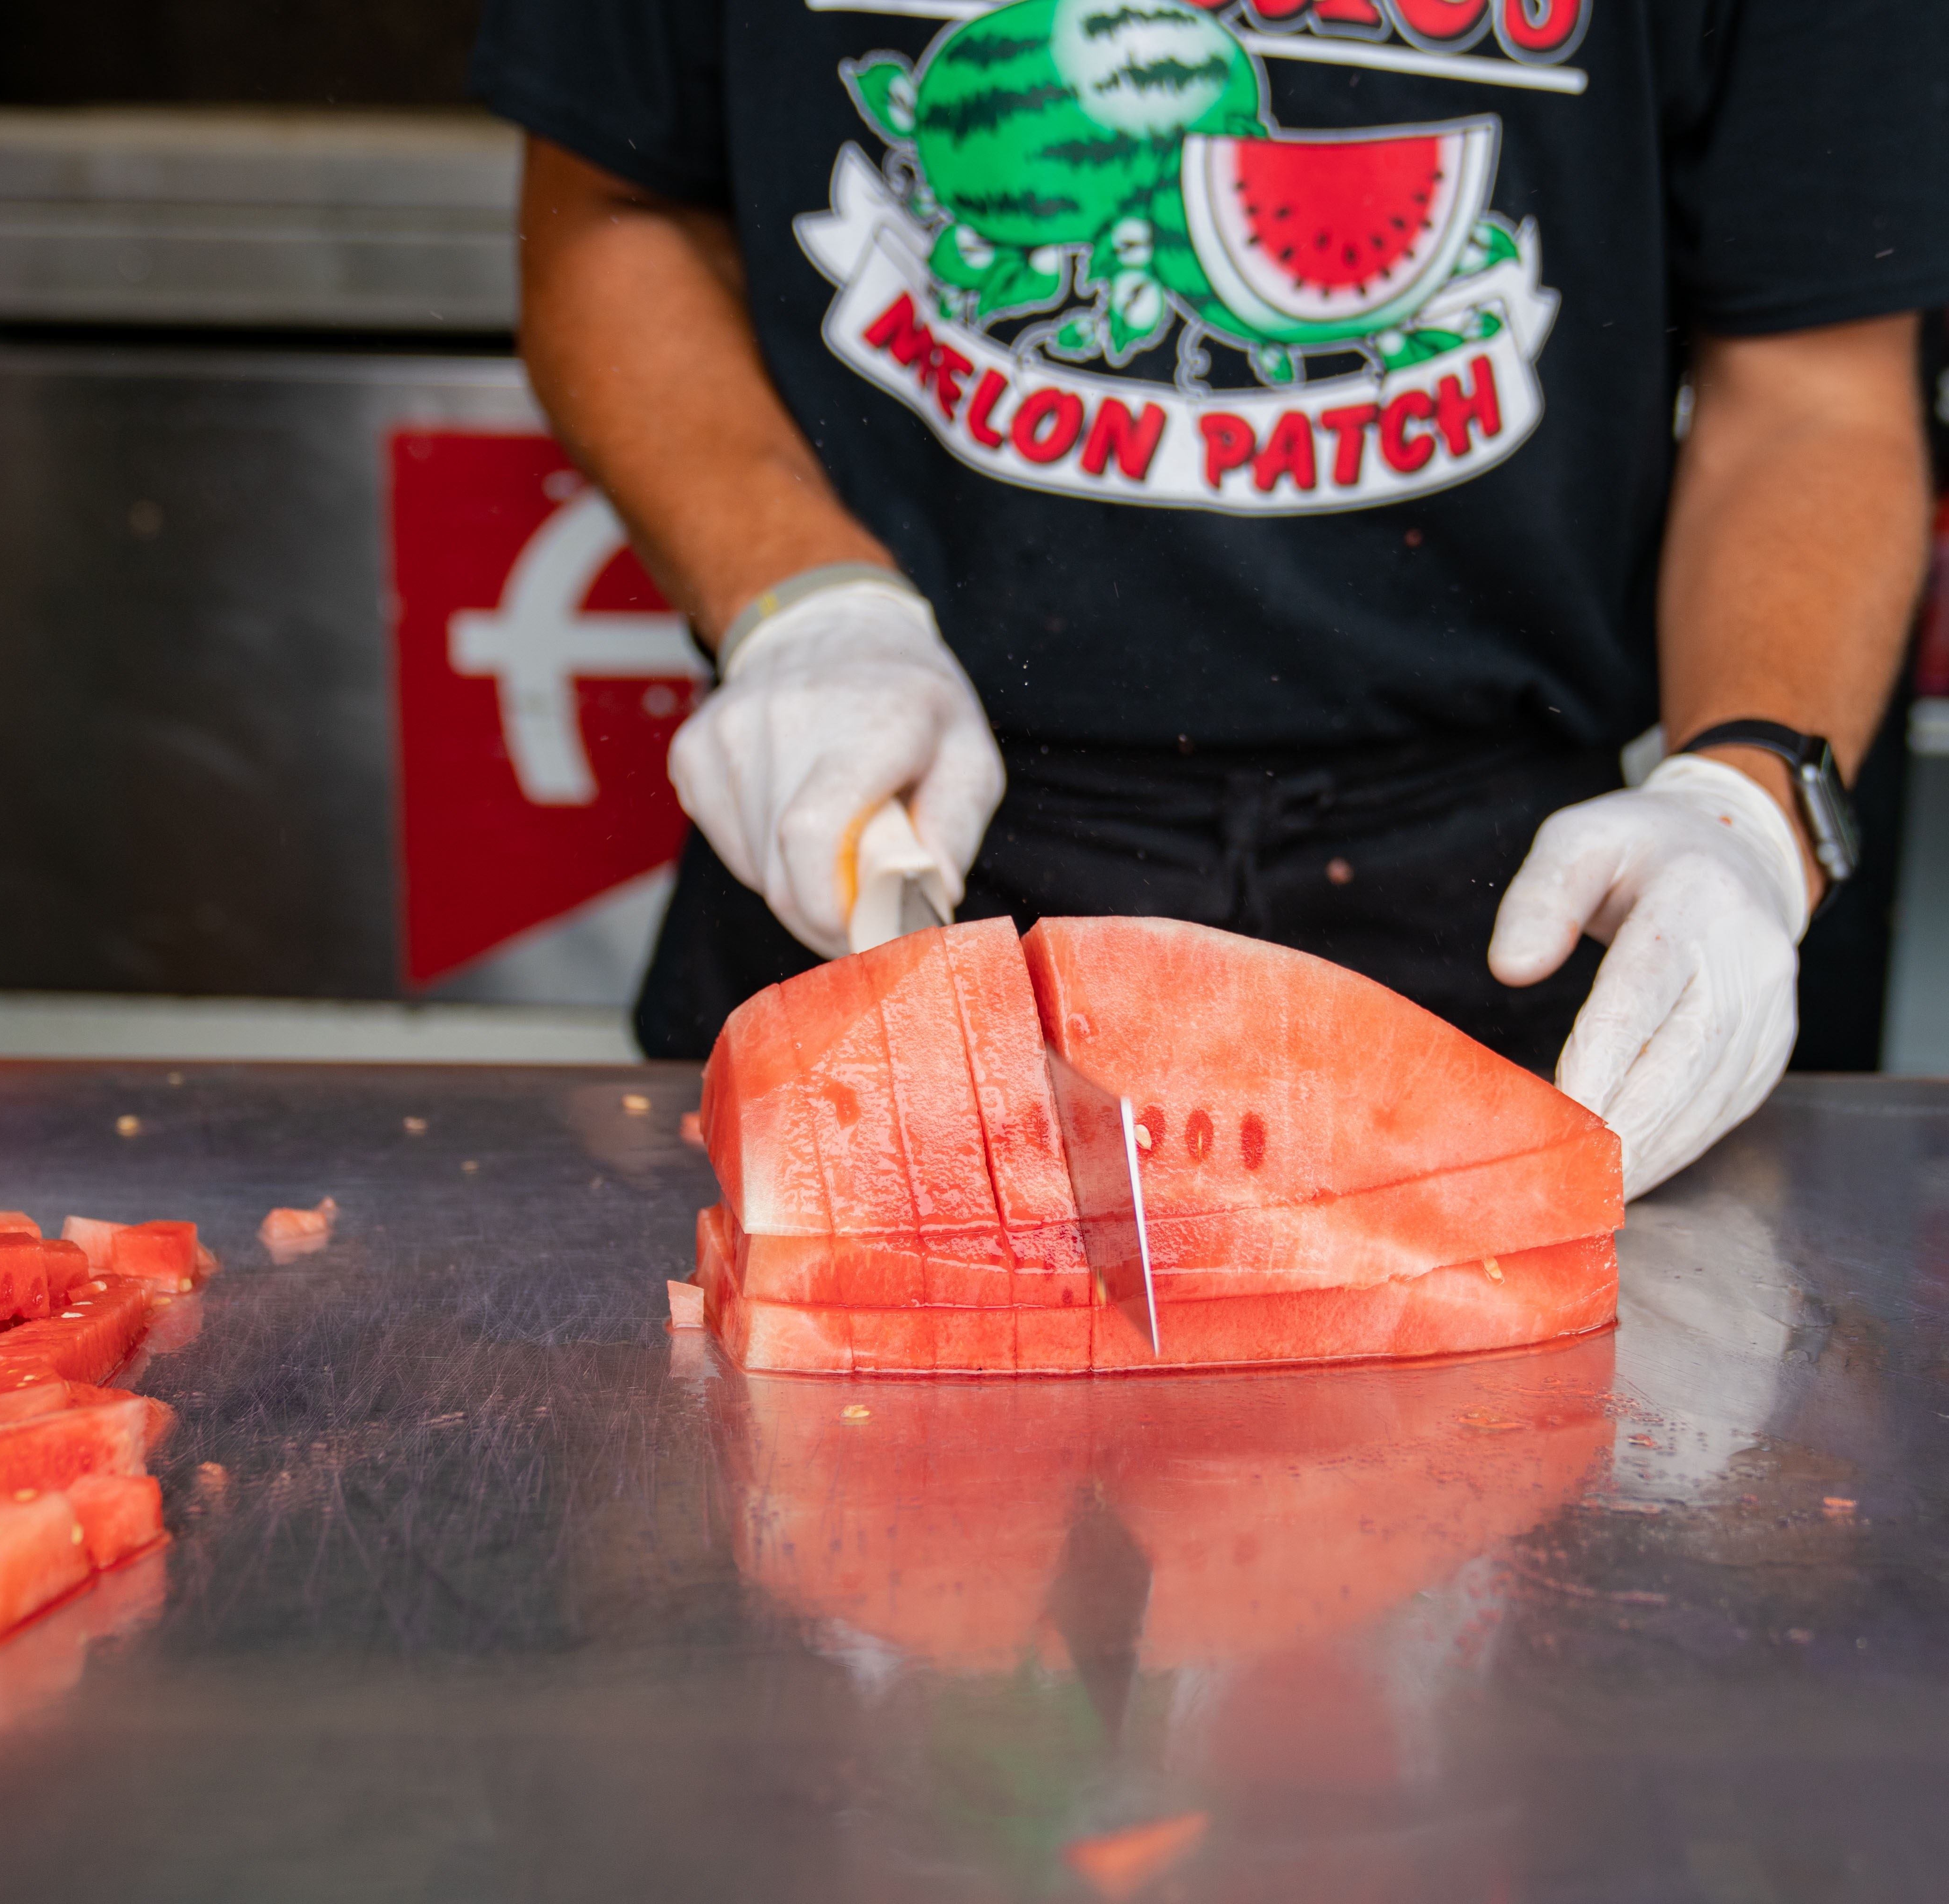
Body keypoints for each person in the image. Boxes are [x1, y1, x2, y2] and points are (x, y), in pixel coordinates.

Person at [471, 0, 1948, 1197]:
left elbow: (1814, 382)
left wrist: (1753, 800)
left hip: (1510, 916)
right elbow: (611, 210)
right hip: (890, 840)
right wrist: (802, 602)